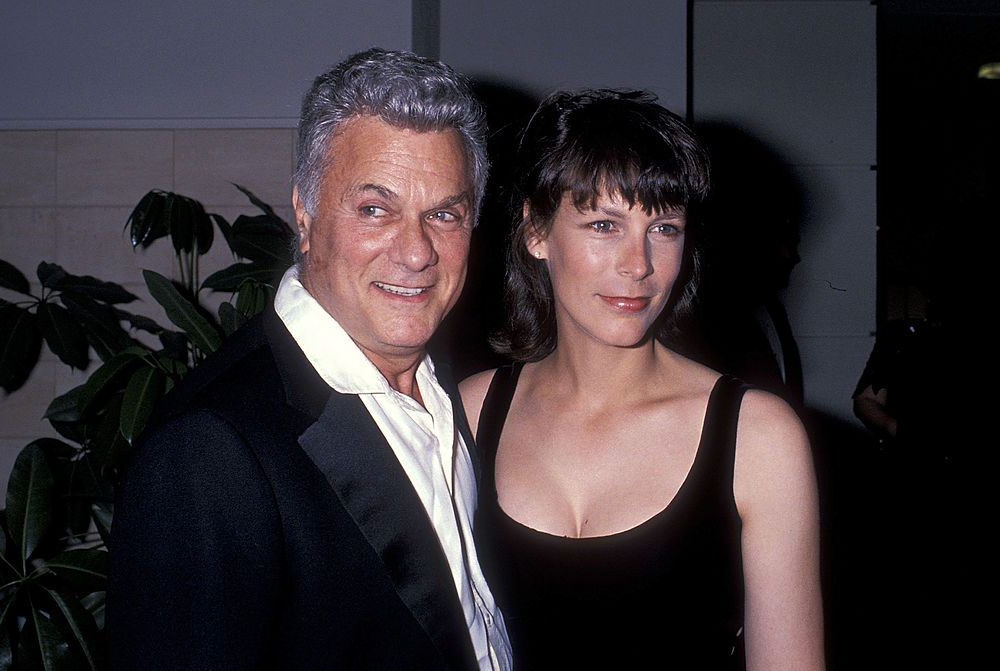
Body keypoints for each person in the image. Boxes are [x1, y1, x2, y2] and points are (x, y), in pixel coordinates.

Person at [107, 48, 511, 671]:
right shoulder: (209, 451)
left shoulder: (449, 393)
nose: (416, 252)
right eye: (375, 210)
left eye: (443, 214)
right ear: (305, 212)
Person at [460, 90, 823, 669]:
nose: (639, 264)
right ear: (536, 232)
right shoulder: (469, 412)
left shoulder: (757, 436)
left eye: (665, 228)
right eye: (605, 225)